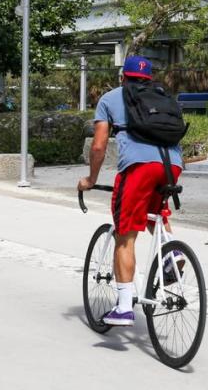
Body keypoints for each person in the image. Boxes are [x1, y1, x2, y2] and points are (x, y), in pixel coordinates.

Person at [77, 55, 183, 326]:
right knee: (153, 212)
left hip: (138, 168)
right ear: (149, 79)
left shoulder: (111, 98)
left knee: (125, 234)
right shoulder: (163, 96)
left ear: (123, 77)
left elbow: (99, 146)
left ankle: (124, 307)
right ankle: (172, 252)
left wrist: (90, 179)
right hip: (172, 166)